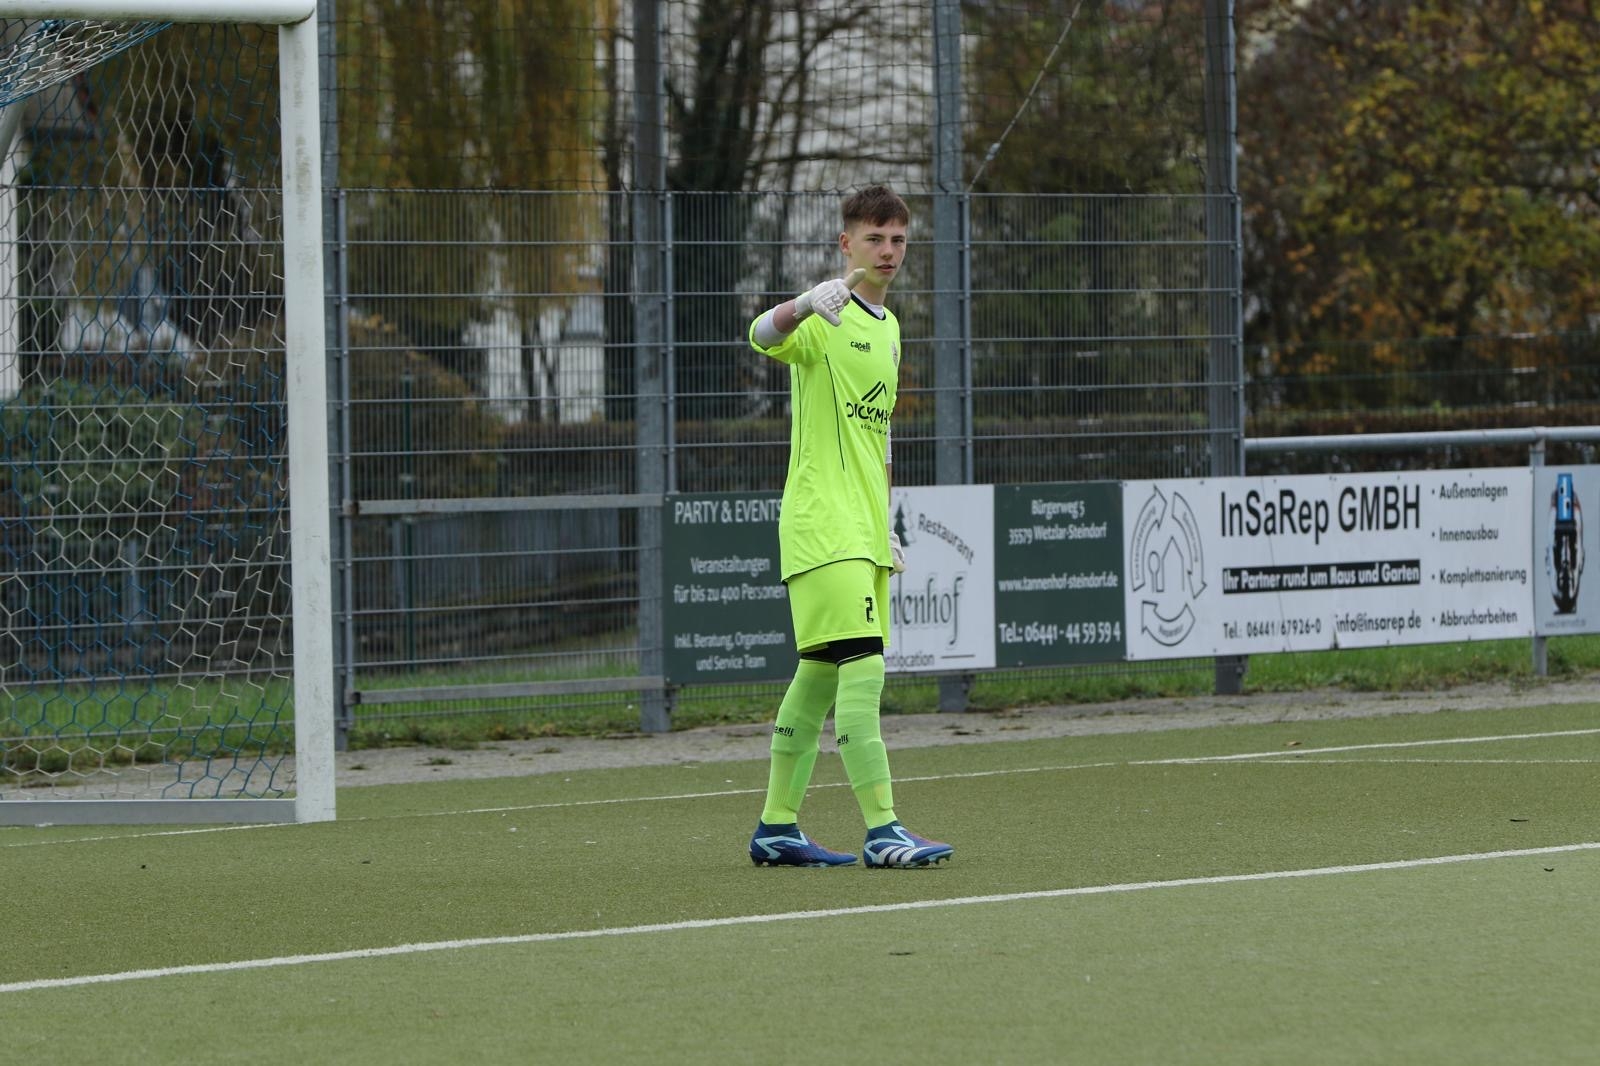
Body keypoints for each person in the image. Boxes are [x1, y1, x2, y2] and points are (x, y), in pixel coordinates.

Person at [744, 184, 953, 869]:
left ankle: (776, 828)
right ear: (846, 243)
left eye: (897, 240)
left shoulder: (890, 329)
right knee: (864, 672)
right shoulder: (825, 317)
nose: (887, 251)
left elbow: (880, 439)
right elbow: (760, 334)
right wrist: (806, 302)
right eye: (874, 238)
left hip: (861, 533)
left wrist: (884, 524)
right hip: (822, 526)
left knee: (819, 677)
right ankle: (884, 830)